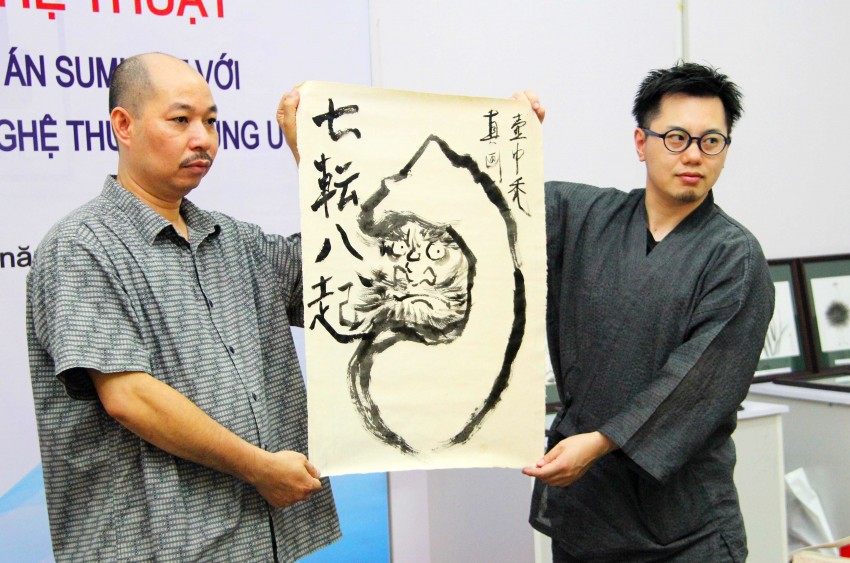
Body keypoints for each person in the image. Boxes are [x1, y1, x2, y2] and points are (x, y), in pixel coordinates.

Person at [26, 52, 340, 562]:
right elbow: (130, 396)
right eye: (180, 120)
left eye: (211, 122)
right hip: (153, 548)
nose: (203, 139)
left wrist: (318, 157)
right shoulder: (81, 246)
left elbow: (343, 283)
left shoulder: (235, 240)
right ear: (123, 125)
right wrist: (259, 468)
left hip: (258, 541)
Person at [520, 62, 774, 561]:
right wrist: (512, 140)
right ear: (642, 142)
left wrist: (601, 442)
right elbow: (493, 212)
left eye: (711, 141)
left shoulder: (735, 257)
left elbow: (697, 383)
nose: (694, 155)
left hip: (684, 527)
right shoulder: (582, 216)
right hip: (587, 512)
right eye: (676, 138)